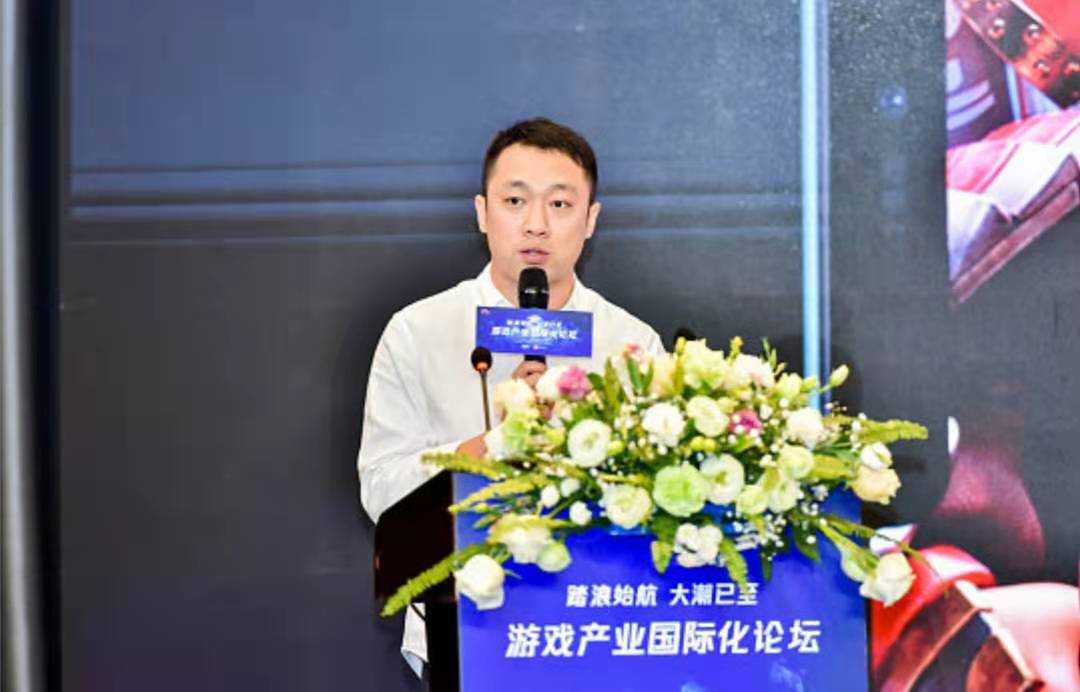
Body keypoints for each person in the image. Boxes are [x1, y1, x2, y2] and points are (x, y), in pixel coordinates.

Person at [356, 117, 663, 679]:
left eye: (560, 204)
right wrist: (492, 445)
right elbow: (381, 489)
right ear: (482, 212)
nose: (536, 224)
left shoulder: (630, 343)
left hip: (601, 627)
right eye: (515, 201)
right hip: (464, 627)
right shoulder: (418, 330)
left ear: (591, 219)